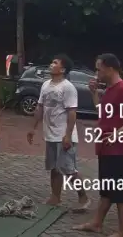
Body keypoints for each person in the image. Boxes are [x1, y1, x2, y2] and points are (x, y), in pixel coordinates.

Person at [74, 53, 123, 237]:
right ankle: (97, 223)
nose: (96, 72)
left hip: (118, 149)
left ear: (110, 68)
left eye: (99, 69)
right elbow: (103, 113)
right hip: (105, 147)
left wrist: (120, 132)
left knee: (119, 189)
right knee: (106, 189)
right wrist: (93, 94)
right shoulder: (109, 89)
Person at [27, 54, 90, 211]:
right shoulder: (45, 85)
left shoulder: (68, 87)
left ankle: (83, 197)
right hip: (50, 135)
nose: (51, 64)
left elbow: (72, 112)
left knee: (68, 169)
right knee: (54, 168)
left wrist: (68, 135)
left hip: (64, 135)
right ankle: (55, 197)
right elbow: (40, 107)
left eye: (54, 63)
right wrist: (33, 127)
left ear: (62, 69)